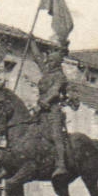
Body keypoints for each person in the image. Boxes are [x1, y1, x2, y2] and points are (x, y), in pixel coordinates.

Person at [34, 41, 74, 179]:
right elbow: (37, 58)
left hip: (53, 111)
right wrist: (31, 41)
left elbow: (55, 92)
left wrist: (44, 101)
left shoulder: (60, 76)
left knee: (56, 135)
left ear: (57, 62)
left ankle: (61, 164)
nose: (48, 62)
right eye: (48, 60)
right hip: (41, 110)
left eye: (51, 60)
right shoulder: (46, 73)